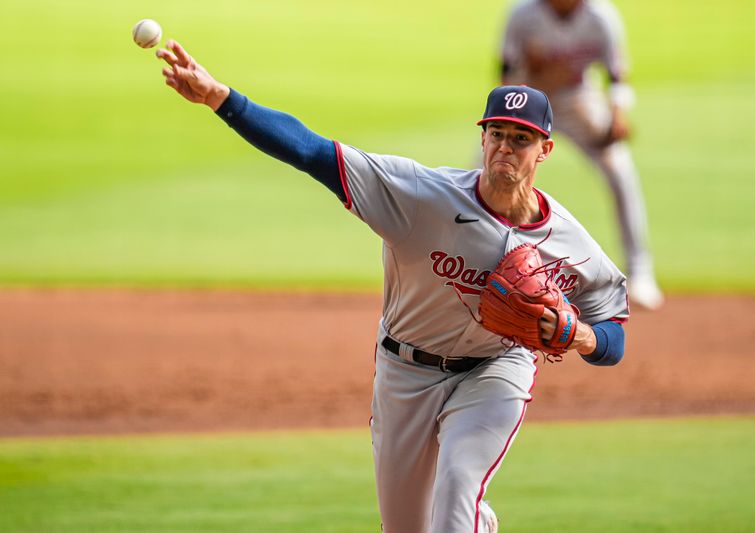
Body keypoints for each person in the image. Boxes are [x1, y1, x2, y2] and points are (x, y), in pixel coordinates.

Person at [156, 39, 629, 533]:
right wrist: (220, 99)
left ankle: (466, 518)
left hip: (496, 370)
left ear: (545, 149)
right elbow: (311, 151)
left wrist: (582, 336)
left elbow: (613, 330)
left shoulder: (569, 241)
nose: (507, 147)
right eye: (499, 134)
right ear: (484, 138)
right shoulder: (421, 196)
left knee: (456, 489)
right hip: (405, 372)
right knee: (406, 526)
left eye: (522, 139)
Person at [500, 0, 664, 309]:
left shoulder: (601, 16)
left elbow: (616, 75)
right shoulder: (522, 14)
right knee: (491, 177)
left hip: (580, 103)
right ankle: (485, 268)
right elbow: (505, 74)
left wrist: (617, 115)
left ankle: (640, 272)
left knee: (620, 171)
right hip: (530, 103)